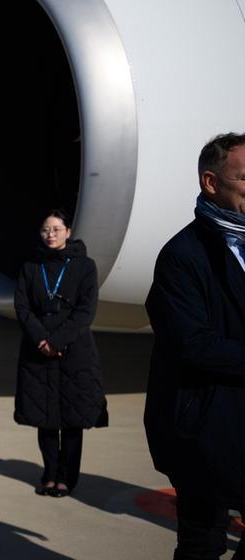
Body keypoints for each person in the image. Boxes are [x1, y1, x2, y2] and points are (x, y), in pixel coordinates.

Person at [145, 132, 245, 560]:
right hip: (203, 427)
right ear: (211, 182)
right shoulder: (182, 256)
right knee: (202, 541)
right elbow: (193, 344)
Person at [12, 210, 107, 498]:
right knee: (46, 419)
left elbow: (86, 310)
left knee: (72, 419)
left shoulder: (85, 266)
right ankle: (50, 474)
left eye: (56, 229)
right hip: (38, 349)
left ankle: (67, 477)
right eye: (45, 230)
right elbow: (22, 306)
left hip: (75, 350)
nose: (50, 234)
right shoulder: (31, 266)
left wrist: (59, 340)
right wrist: (42, 339)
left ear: (68, 231)